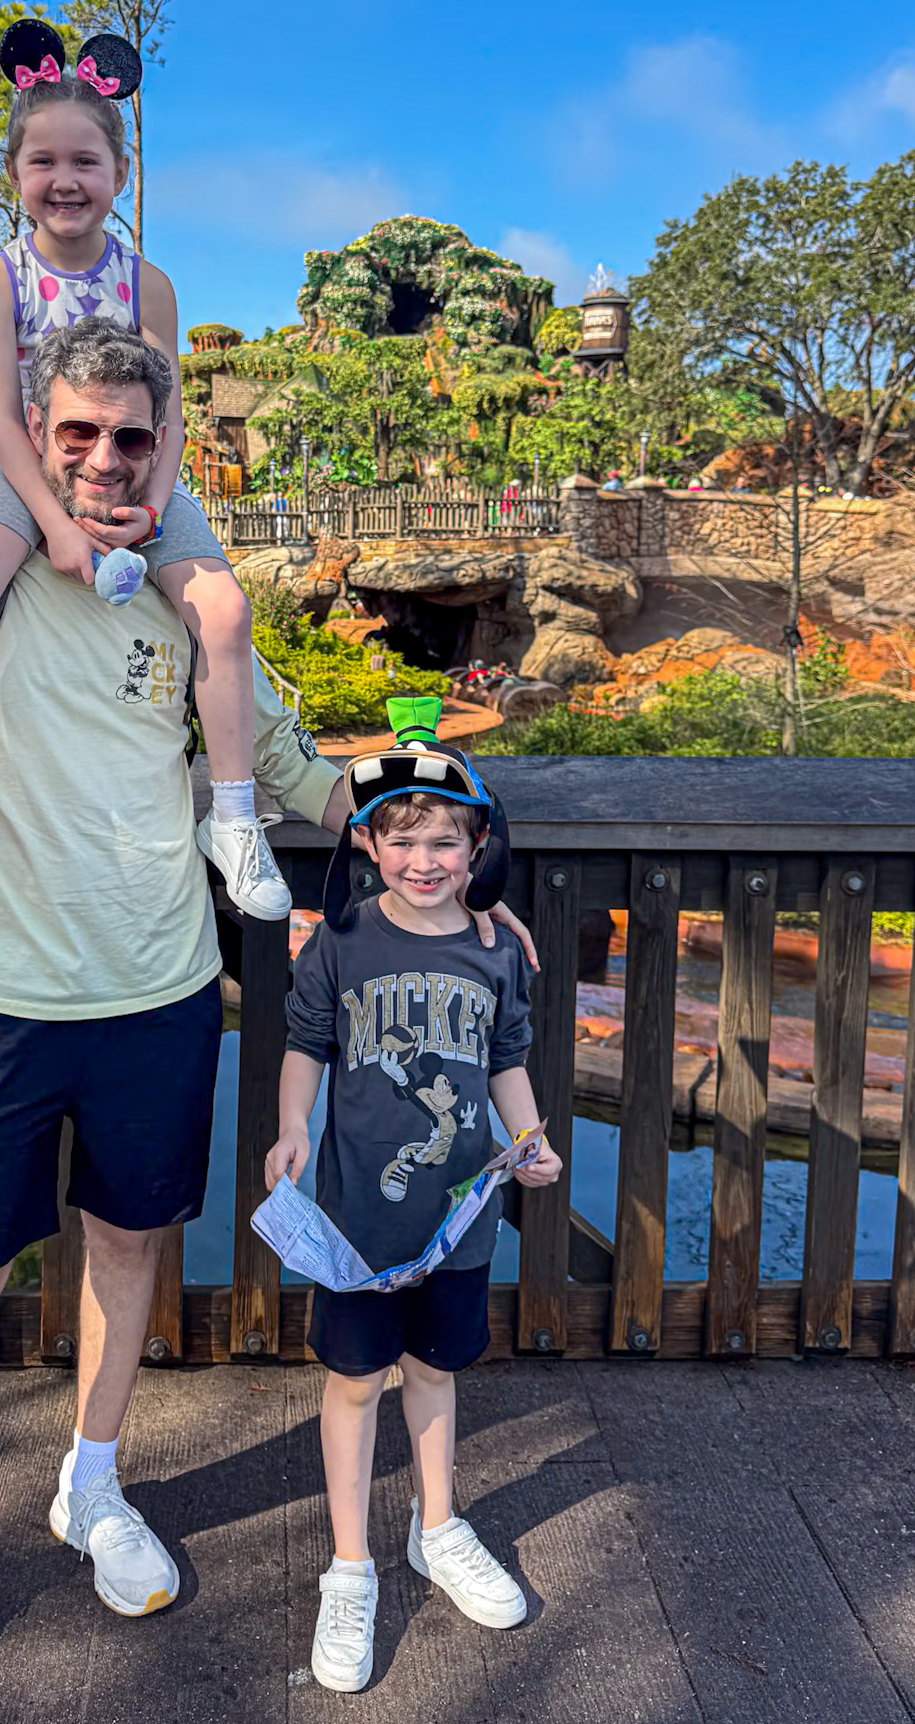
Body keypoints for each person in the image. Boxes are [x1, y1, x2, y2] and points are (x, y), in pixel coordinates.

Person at [0, 17, 288, 923]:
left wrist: (154, 510)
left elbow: (163, 416)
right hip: (26, 469)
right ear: (16, 176)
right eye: (43, 162)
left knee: (224, 605)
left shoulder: (148, 284)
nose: (65, 180)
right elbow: (4, 417)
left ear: (117, 176)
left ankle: (237, 818)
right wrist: (51, 525)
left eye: (86, 162)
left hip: (136, 471)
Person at [265, 702, 562, 1694]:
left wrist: (528, 1138)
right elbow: (306, 1039)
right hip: (356, 1213)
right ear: (367, 841)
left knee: (435, 1367)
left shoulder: (493, 949)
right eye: (403, 838)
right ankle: (350, 1564)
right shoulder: (340, 940)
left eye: (446, 839)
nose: (425, 858)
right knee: (355, 1378)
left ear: (479, 847)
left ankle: (437, 1526)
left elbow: (508, 1061)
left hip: (460, 1217)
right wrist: (292, 1126)